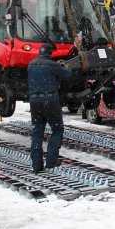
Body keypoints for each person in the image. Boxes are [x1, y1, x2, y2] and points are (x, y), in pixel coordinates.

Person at [27, 43, 71, 172]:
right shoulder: (53, 65)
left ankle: (36, 164)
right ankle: (51, 161)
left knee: (37, 131)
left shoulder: (31, 65)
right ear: (51, 53)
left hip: (34, 101)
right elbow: (67, 76)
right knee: (57, 129)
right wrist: (67, 67)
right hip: (50, 100)